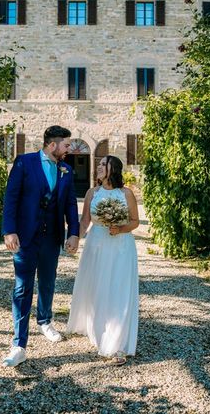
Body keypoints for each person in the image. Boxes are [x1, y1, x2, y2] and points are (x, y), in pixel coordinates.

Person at [1, 125, 80, 367]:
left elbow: (69, 205)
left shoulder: (66, 170)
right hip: (25, 237)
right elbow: (11, 197)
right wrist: (9, 230)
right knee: (22, 288)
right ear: (52, 144)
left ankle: (45, 321)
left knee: (47, 282)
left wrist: (74, 233)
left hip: (52, 237)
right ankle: (19, 344)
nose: (69, 149)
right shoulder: (24, 163)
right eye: (66, 145)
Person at [66, 155, 139, 366]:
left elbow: (134, 221)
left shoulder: (126, 194)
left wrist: (120, 228)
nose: (98, 167)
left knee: (118, 289)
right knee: (98, 289)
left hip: (121, 247)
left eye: (102, 164)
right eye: (98, 164)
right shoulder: (92, 193)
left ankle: (118, 344)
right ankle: (99, 331)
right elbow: (85, 221)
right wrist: (75, 239)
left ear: (113, 169)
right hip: (96, 245)